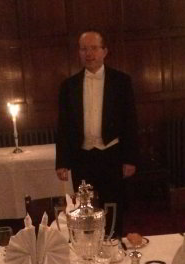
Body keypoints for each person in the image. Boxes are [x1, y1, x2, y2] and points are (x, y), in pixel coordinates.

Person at [55, 30, 138, 236]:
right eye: (84, 49)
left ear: (104, 51)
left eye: (93, 48)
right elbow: (63, 125)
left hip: (111, 154)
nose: (89, 53)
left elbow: (130, 121)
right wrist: (62, 161)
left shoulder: (121, 81)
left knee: (113, 206)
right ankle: (87, 248)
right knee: (84, 210)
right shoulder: (68, 86)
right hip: (81, 156)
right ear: (79, 53)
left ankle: (114, 244)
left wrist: (130, 159)